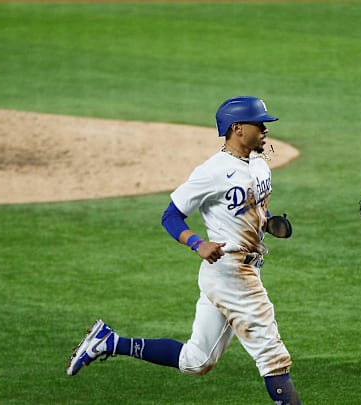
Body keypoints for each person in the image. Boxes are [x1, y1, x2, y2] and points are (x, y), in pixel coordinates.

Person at [66, 96, 301, 404]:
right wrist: (197, 243)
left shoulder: (259, 164)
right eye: (259, 124)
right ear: (238, 129)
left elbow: (249, 210)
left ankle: (108, 342)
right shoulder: (212, 172)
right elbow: (171, 216)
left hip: (236, 270)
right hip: (232, 274)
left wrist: (268, 224)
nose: (265, 129)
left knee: (197, 361)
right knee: (273, 358)